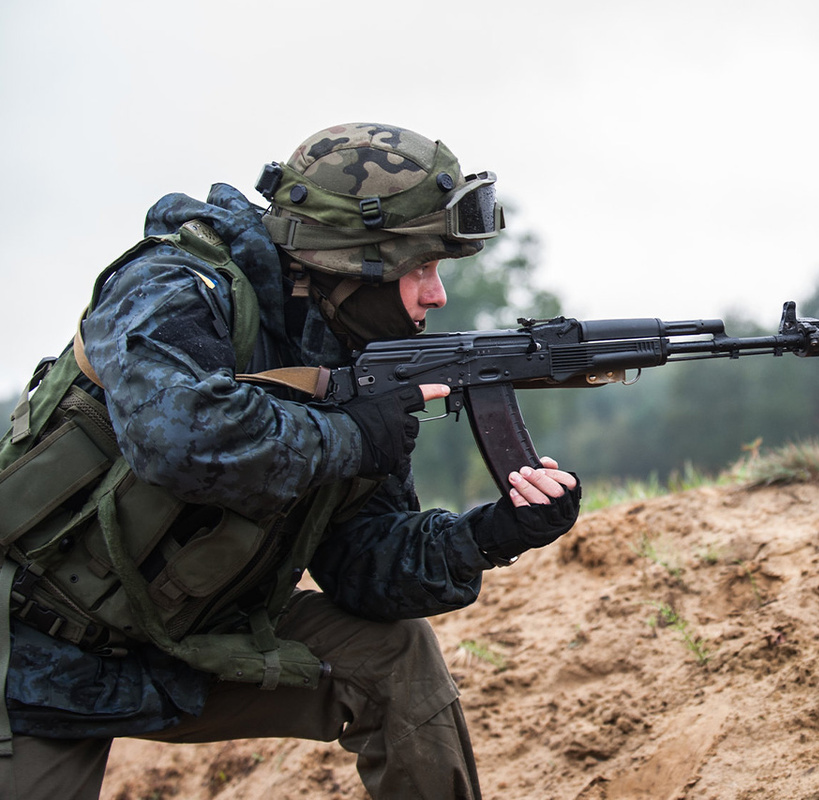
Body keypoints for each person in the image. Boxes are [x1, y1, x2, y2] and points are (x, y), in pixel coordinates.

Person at [0, 122, 580, 799]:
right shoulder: (176, 287)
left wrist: (488, 536)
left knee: (394, 656)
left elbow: (361, 567)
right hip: (33, 656)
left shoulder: (354, 352)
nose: (437, 296)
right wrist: (353, 438)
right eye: (418, 269)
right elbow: (179, 440)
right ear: (350, 260)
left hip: (198, 637)